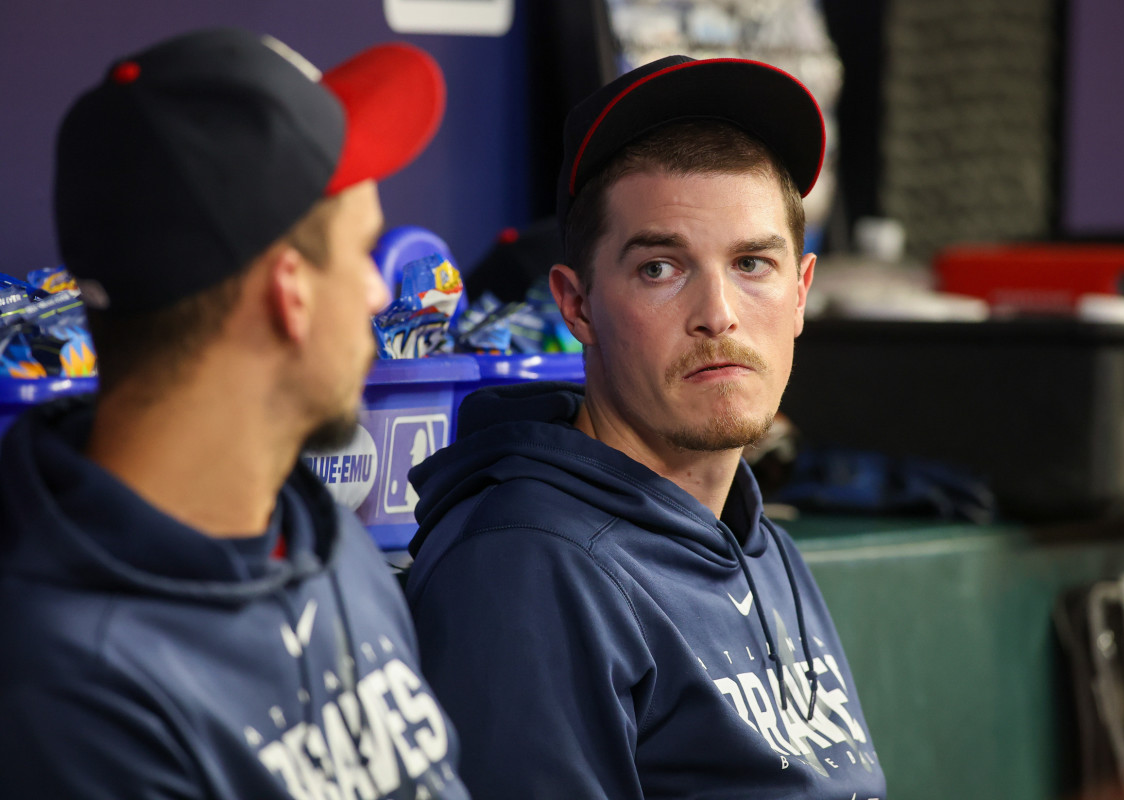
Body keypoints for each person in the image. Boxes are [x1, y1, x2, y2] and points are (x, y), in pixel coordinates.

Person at [0, 28, 469, 799]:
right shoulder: (65, 684)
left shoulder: (327, 543)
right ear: (291, 293)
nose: (381, 293)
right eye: (362, 253)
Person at [403, 55, 887, 799]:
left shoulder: (760, 542)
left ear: (800, 293)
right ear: (577, 306)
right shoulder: (528, 568)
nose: (718, 315)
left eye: (752, 264)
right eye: (661, 268)